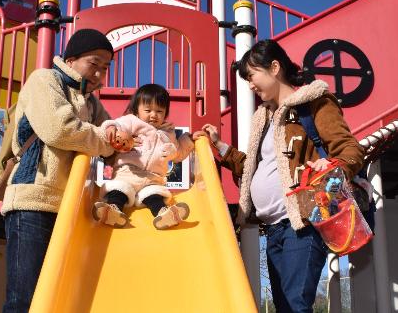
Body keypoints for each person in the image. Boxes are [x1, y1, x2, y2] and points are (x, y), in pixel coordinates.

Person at [196, 39, 364, 313]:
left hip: (303, 222)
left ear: (274, 67)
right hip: (273, 230)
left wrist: (335, 167)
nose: (250, 85)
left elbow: (349, 148)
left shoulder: (313, 104)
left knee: (296, 304)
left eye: (251, 76)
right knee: (285, 306)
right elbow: (253, 169)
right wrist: (220, 146)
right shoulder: (265, 119)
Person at [1, 29, 116, 313]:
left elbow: (115, 135)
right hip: (33, 200)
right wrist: (104, 141)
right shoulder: (44, 79)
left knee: (59, 298)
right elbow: (59, 129)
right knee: (24, 299)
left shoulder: (91, 102)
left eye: (105, 68)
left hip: (69, 206)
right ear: (72, 59)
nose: (100, 74)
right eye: (94, 64)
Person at [93, 83, 195, 229]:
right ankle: (112, 210)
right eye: (148, 110)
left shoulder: (168, 133)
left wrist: (189, 140)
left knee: (155, 195)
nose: (154, 115)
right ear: (137, 110)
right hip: (127, 172)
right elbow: (115, 126)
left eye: (159, 111)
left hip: (152, 178)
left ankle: (164, 215)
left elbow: (178, 154)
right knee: (118, 189)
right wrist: (113, 130)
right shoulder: (132, 121)